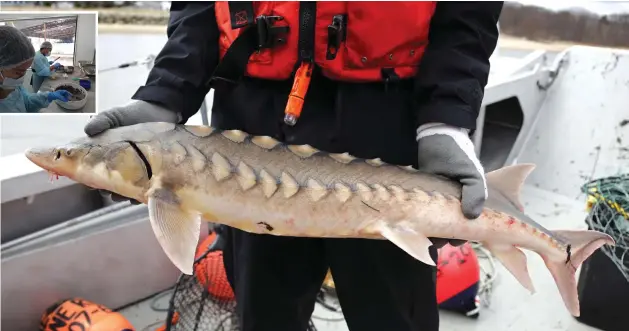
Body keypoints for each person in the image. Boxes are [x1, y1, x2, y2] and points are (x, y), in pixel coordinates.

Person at [86, 2, 503, 330]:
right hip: (247, 133)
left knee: (395, 315)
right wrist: (166, 93)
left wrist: (445, 120)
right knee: (264, 314)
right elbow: (199, 10)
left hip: (388, 119)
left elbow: (467, 17)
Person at [0, 26, 71, 113]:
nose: (22, 77)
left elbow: (27, 102)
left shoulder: (13, 87)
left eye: (25, 71)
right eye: (19, 72)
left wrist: (48, 96)